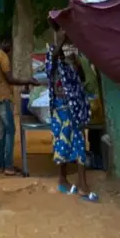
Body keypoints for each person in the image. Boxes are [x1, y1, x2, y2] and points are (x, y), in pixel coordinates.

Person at [46, 31, 98, 202]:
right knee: (63, 144)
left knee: (78, 143)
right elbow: (52, 60)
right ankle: (68, 181)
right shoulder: (52, 57)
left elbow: (81, 80)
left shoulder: (71, 60)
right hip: (62, 109)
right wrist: (61, 41)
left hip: (74, 108)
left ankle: (81, 184)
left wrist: (77, 66)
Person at [0, 36, 40, 176]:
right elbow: (10, 79)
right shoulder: (3, 58)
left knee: (1, 131)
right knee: (10, 130)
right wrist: (28, 80)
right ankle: (8, 165)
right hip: (4, 98)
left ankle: (1, 164)